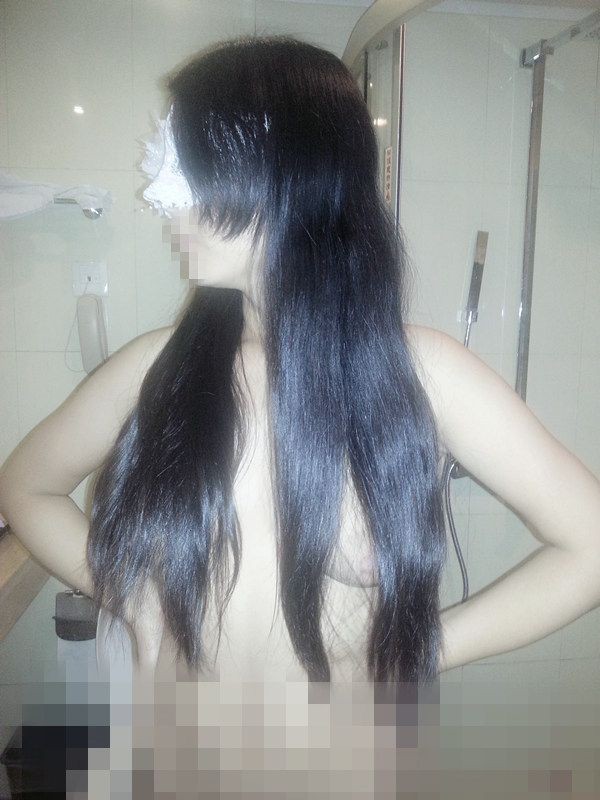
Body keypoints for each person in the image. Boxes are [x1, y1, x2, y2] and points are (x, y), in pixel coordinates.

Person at [2, 33, 600, 794]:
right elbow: (25, 486)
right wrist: (129, 595)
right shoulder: (158, 368)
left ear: (286, 173)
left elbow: (590, 546)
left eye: (189, 168)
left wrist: (418, 649)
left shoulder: (422, 372)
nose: (165, 201)